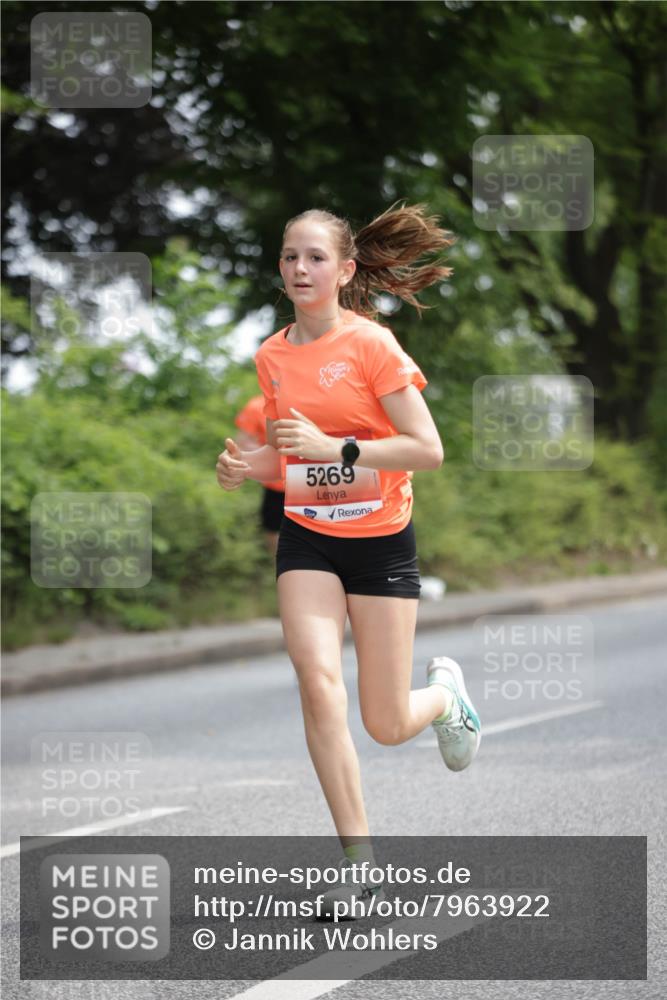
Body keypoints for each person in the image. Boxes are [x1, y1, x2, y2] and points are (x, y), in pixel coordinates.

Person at [216, 202, 481, 918]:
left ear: (344, 270)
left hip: (380, 540)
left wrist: (339, 449)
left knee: (386, 724)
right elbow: (289, 456)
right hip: (307, 535)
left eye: (315, 258)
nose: (299, 269)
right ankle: (359, 867)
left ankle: (445, 699)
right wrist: (248, 466)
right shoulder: (272, 355)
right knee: (316, 680)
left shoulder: (372, 345)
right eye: (289, 256)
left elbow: (427, 449)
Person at [234, 394, 285, 555]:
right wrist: (270, 455)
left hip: (312, 482)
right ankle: (280, 566)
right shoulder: (256, 406)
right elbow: (242, 442)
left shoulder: (310, 399)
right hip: (276, 485)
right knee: (273, 530)